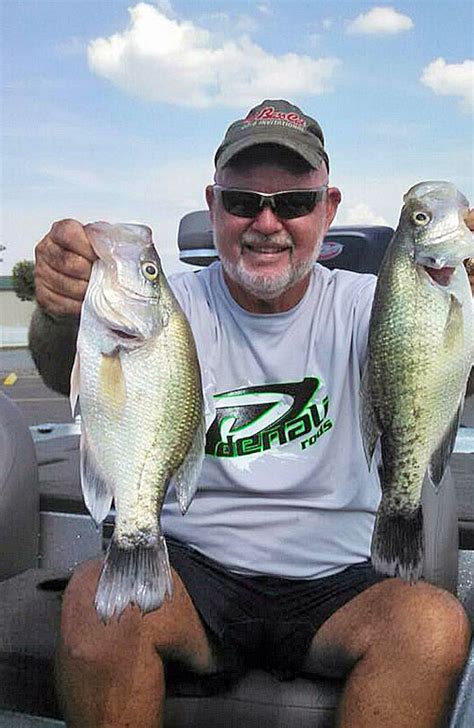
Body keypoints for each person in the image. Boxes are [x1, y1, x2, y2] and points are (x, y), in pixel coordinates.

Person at [31, 99, 473, 728]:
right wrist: (56, 310)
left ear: (329, 209)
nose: (267, 223)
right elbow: (59, 372)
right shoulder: (163, 308)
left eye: (293, 204)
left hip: (340, 580)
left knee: (433, 627)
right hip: (190, 572)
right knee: (93, 605)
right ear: (213, 206)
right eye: (243, 202)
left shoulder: (377, 304)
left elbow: (455, 373)